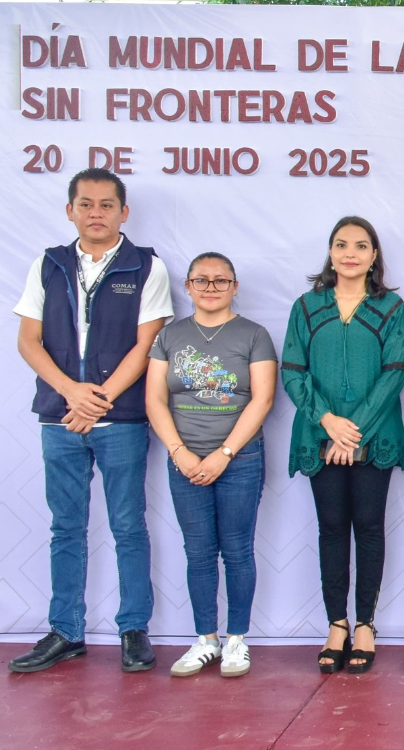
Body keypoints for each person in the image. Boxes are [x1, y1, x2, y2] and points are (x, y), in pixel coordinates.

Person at [9, 169, 173, 674]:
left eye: (106, 205)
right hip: (59, 419)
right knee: (66, 528)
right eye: (86, 204)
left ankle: (133, 629)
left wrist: (96, 401)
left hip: (120, 420)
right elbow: (28, 342)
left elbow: (147, 345)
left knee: (128, 526)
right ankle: (66, 630)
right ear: (70, 211)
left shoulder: (146, 266)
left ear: (124, 212)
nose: (96, 213)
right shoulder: (48, 264)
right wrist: (71, 393)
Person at [282, 217, 404, 675]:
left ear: (374, 255)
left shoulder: (392, 308)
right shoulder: (306, 306)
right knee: (332, 528)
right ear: (330, 252)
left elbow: (395, 373)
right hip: (319, 435)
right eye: (341, 245)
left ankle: (365, 625)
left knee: (369, 527)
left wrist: (352, 431)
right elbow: (292, 371)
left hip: (375, 436)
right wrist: (327, 421)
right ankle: (336, 624)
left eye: (360, 245)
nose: (350, 253)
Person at [146, 252, 277, 678]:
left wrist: (224, 454)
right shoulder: (169, 335)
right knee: (198, 552)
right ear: (187, 287)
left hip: (240, 460)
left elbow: (263, 399)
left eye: (221, 280)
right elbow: (155, 399)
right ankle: (206, 639)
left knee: (237, 550)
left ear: (235, 287)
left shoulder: (254, 335)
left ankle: (237, 639)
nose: (211, 288)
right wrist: (179, 452)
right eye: (201, 280)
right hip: (184, 461)